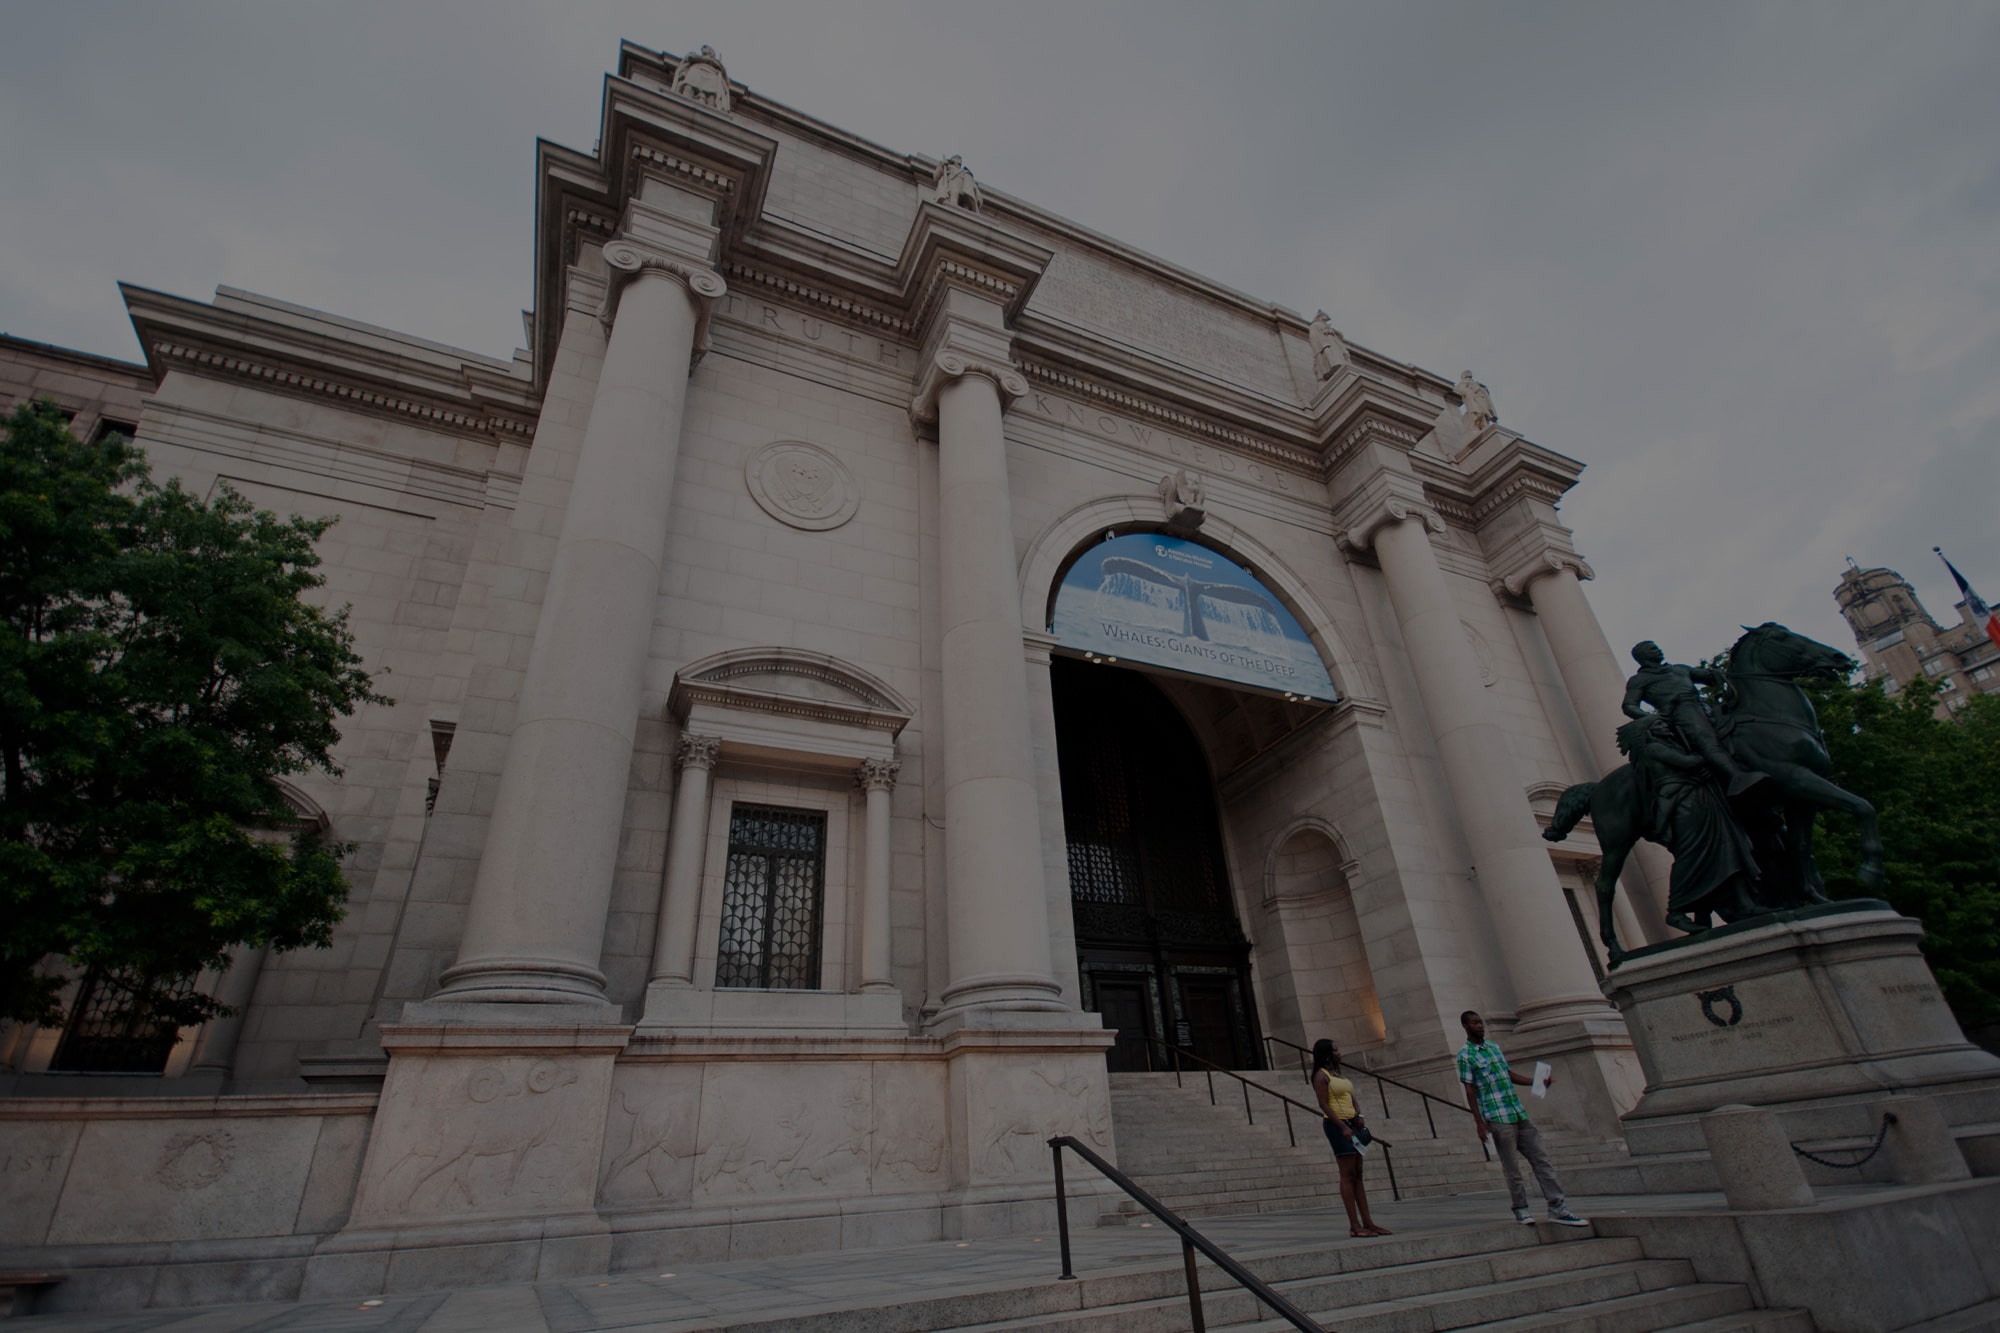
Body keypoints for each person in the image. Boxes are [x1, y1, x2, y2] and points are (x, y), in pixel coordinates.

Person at [1619, 714, 1761, 931]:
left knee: (1727, 848)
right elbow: (1688, 762)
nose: (1664, 727)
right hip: (1683, 802)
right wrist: (1706, 748)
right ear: (1649, 732)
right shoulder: (1655, 749)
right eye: (1658, 724)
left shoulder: (1672, 745)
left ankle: (1738, 903)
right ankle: (1675, 910)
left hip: (1700, 798)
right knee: (1693, 854)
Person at [1455, 1011, 1588, 1227]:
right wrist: (1479, 1122)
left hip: (1518, 1112)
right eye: (1474, 1023)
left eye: (1480, 1022)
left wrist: (1536, 1081)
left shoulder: (1494, 1048)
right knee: (1512, 1168)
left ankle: (1558, 1208)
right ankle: (1521, 1209)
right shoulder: (1465, 1055)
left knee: (1541, 1160)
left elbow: (1508, 1074)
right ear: (1465, 1026)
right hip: (1497, 1116)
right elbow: (1469, 1090)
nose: (1479, 1026)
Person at [1621, 641, 1764, 796]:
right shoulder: (1639, 680)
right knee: (1707, 741)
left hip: (1704, 705)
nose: (1658, 649)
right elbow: (1629, 705)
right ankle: (1736, 776)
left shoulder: (1679, 669)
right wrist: (1651, 717)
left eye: (1656, 647)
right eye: (1652, 649)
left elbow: (1706, 677)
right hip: (1681, 713)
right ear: (1642, 656)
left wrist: (1717, 675)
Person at [1311, 1038, 1391, 1238]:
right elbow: (1324, 1104)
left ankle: (1368, 1222)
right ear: (1327, 1054)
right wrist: (1342, 1127)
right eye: (1336, 1050)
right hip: (1337, 1126)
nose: (1340, 1053)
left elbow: (1351, 1098)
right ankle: (1354, 1225)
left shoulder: (1339, 1075)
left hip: (1352, 1123)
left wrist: (1358, 1116)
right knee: (1347, 1174)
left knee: (1358, 1175)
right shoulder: (1321, 1076)